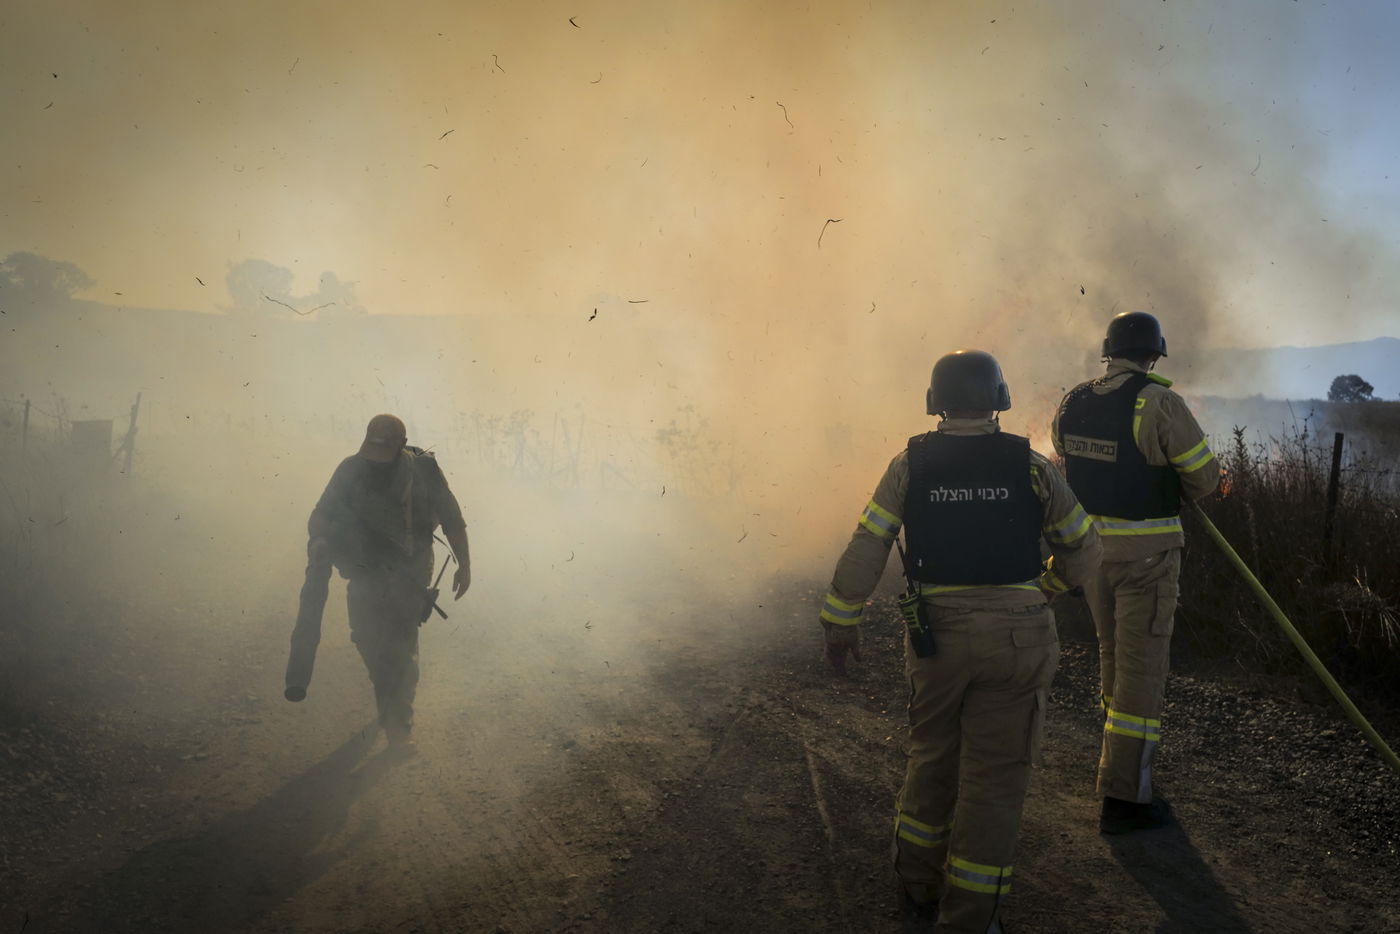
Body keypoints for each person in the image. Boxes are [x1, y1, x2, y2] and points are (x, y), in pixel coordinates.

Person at [819, 350, 1101, 933]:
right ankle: (971, 918)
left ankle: (918, 884)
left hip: (938, 637)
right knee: (995, 779)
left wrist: (840, 620)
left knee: (932, 757)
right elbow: (1084, 546)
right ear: (998, 399)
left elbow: (869, 541)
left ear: (935, 402)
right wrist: (1045, 588)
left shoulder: (910, 464)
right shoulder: (1030, 465)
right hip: (1018, 637)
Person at [1052, 311, 1219, 834]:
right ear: (1153, 355)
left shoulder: (1073, 401)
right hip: (1147, 561)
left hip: (1094, 556)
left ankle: (1116, 765)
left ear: (1108, 351)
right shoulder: (1160, 402)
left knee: (1112, 660)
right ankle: (1126, 796)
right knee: (1141, 674)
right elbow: (1205, 479)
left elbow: (1069, 462)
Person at [306, 414, 471, 753]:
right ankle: (390, 697)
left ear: (400, 444)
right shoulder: (351, 469)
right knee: (367, 641)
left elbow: (452, 518)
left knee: (399, 648)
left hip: (411, 570)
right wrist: (319, 541)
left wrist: (464, 564)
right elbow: (321, 515)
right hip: (365, 572)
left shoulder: (422, 470)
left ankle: (399, 728)